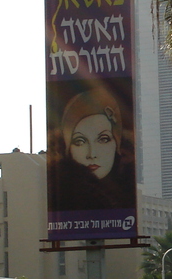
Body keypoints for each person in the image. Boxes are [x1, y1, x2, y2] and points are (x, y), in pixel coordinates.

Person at [48, 84, 135, 212]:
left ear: (117, 144)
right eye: (80, 141)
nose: (91, 154)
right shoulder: (59, 199)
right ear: (68, 148)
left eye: (103, 139)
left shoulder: (137, 195)